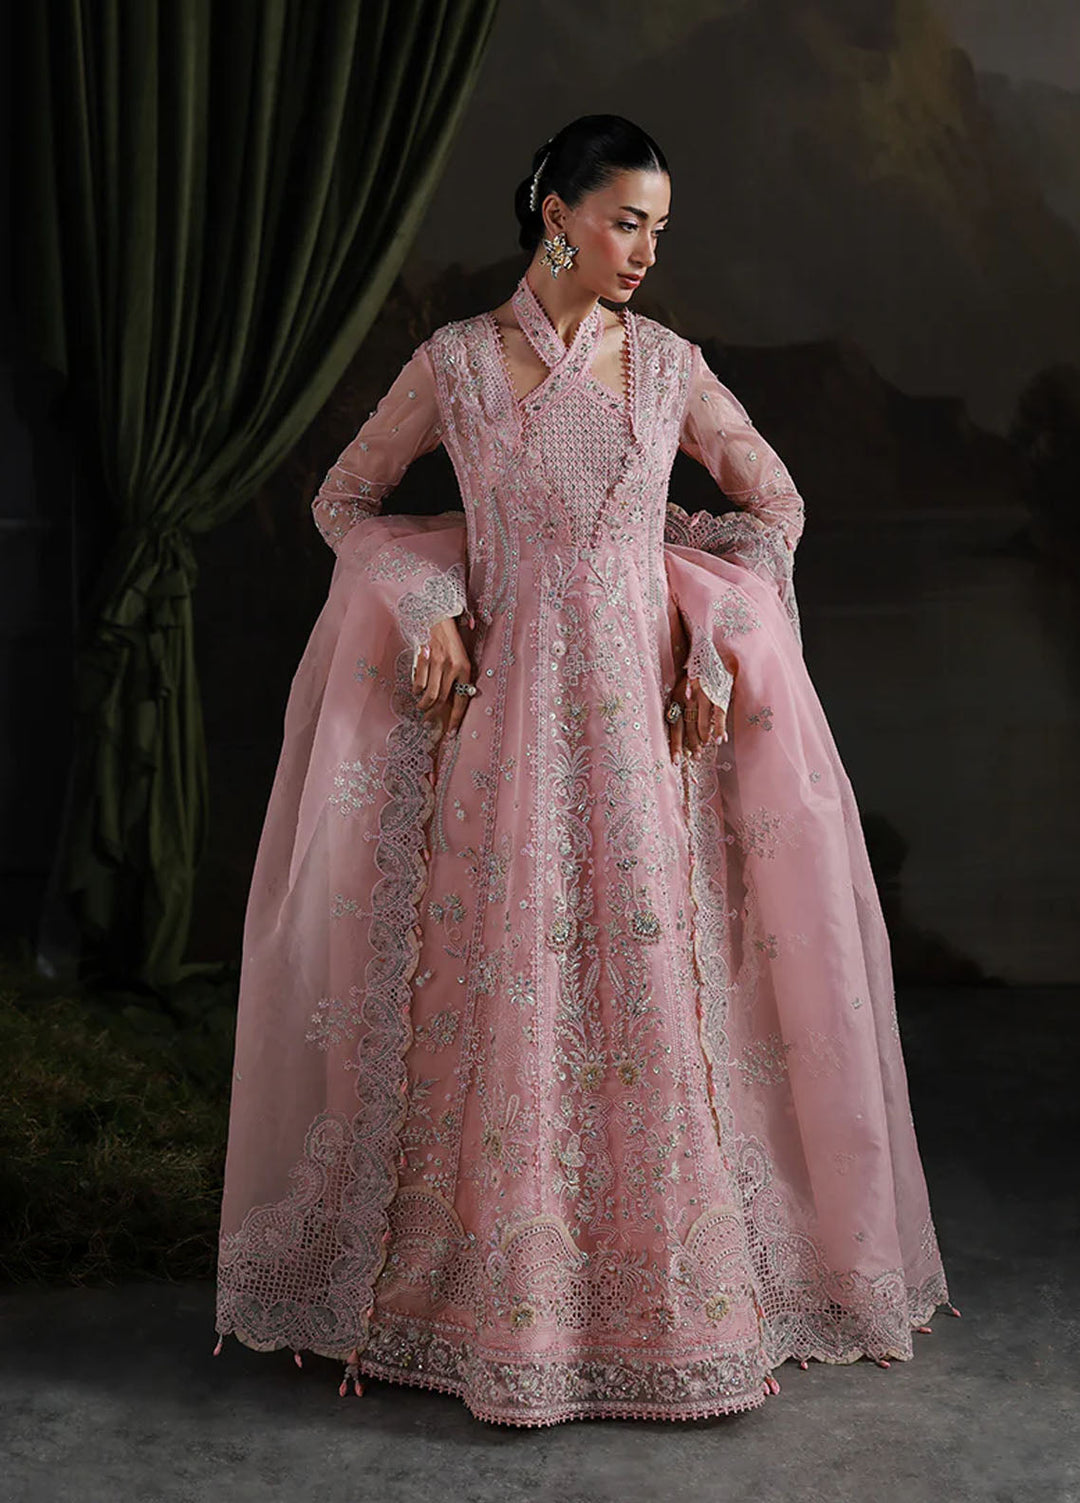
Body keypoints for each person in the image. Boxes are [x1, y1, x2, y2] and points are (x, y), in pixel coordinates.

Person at [214, 114, 956, 1428]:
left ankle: (665, 1304)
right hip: (498, 737)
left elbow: (776, 506)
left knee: (646, 991)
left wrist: (714, 634)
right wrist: (429, 603)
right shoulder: (456, 364)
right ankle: (490, 1307)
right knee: (499, 991)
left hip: (637, 743)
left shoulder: (668, 368)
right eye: (626, 222)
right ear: (555, 214)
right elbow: (343, 500)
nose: (646, 251)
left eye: (659, 228)